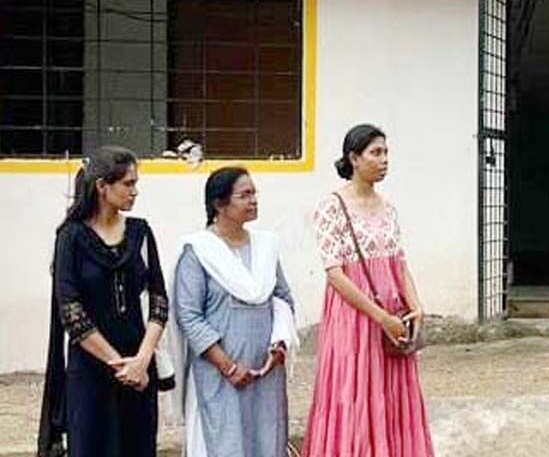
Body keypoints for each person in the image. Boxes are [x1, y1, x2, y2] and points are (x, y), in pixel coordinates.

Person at [303, 124, 434, 457]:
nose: (384, 159)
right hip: (354, 319)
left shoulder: (388, 207)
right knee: (355, 392)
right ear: (354, 158)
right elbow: (335, 274)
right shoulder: (331, 207)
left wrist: (416, 307)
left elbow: (399, 263)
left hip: (393, 316)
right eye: (376, 152)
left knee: (392, 396)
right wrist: (381, 318)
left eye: (386, 152)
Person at [37, 146, 168, 457]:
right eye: (128, 183)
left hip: (139, 367)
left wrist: (141, 360)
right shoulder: (71, 238)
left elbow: (159, 300)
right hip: (91, 370)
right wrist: (120, 365)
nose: (135, 191)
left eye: (136, 183)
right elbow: (72, 313)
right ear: (101, 186)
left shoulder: (140, 233)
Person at [171, 166, 297, 457]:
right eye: (244, 195)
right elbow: (189, 315)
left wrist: (279, 346)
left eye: (254, 193)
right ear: (219, 204)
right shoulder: (198, 251)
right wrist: (227, 366)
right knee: (223, 441)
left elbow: (282, 299)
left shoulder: (266, 247)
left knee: (267, 441)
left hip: (265, 373)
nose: (254, 200)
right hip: (219, 373)